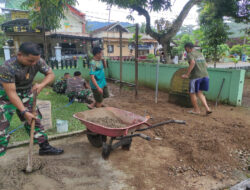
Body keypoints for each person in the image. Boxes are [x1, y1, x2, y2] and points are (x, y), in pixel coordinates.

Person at [0, 42, 64, 157]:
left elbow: (50, 74)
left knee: (35, 120)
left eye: (36, 61)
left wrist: (41, 85)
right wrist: (24, 112)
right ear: (20, 55)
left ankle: (44, 147)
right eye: (30, 61)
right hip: (6, 96)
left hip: (26, 93)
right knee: (1, 128)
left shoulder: (37, 60)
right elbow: (11, 93)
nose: (34, 64)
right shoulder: (7, 67)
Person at [181, 42, 212, 115]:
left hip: (196, 77)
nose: (186, 51)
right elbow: (206, 64)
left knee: (192, 93)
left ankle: (196, 110)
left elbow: (192, 63)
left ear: (188, 48)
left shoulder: (190, 54)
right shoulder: (200, 54)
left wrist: (187, 74)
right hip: (205, 76)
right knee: (200, 92)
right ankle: (207, 108)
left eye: (186, 49)